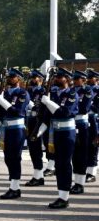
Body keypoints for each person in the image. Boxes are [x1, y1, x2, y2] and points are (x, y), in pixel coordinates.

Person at [35, 68, 78, 209]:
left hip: (67, 133)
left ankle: (64, 197)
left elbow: (64, 112)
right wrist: (39, 131)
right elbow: (47, 116)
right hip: (55, 132)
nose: (56, 79)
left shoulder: (72, 94)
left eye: (59, 77)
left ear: (67, 78)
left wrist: (48, 103)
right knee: (58, 164)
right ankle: (61, 194)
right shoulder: (53, 93)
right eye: (55, 76)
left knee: (64, 164)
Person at [0, 68, 28, 199]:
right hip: (6, 129)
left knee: (15, 158)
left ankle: (15, 188)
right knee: (7, 157)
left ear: (19, 79)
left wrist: (2, 101)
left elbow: (17, 111)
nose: (9, 79)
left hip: (17, 129)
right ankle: (13, 186)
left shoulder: (23, 93)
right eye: (8, 77)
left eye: (13, 77)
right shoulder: (4, 93)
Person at [71, 70, 92, 194]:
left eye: (77, 79)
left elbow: (84, 108)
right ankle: (76, 182)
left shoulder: (87, 91)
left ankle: (80, 183)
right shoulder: (72, 91)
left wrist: (72, 109)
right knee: (74, 155)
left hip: (82, 125)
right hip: (73, 124)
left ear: (83, 79)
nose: (74, 81)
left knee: (81, 154)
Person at [26, 70, 48, 186]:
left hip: (39, 121)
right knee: (32, 148)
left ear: (40, 79)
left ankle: (39, 176)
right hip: (30, 120)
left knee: (37, 148)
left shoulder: (44, 91)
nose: (32, 80)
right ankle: (37, 175)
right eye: (31, 77)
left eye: (35, 77)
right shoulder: (28, 90)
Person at [87, 69, 99, 183]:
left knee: (94, 146)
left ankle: (92, 172)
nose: (88, 79)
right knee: (87, 146)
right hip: (87, 120)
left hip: (95, 120)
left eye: (91, 78)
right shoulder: (86, 90)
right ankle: (87, 170)